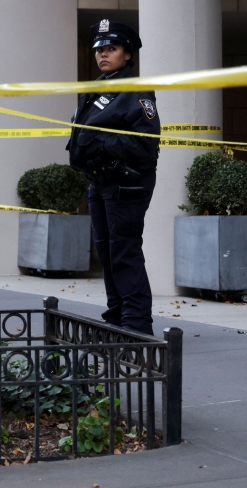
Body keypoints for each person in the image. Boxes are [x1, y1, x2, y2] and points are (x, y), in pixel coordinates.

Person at [67, 20, 160, 336]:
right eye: (100, 49)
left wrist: (101, 143)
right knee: (107, 254)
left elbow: (146, 146)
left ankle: (137, 324)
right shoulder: (97, 89)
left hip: (127, 184)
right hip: (101, 182)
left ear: (127, 54)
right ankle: (118, 316)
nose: (103, 55)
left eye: (112, 49)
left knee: (124, 252)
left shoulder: (134, 89)